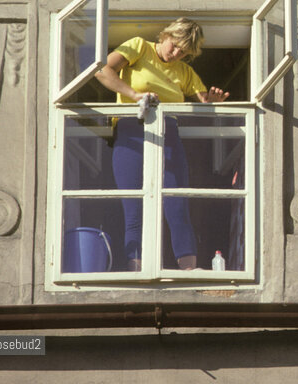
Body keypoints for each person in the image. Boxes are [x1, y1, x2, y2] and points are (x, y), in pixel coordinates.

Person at [94, 18, 229, 271]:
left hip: (168, 135)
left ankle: (189, 270)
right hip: (130, 131)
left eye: (184, 52)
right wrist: (135, 96)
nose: (176, 54)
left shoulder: (184, 71)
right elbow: (102, 70)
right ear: (165, 35)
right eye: (175, 46)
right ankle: (137, 270)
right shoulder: (139, 47)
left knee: (177, 202)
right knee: (134, 206)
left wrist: (211, 100)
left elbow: (204, 101)